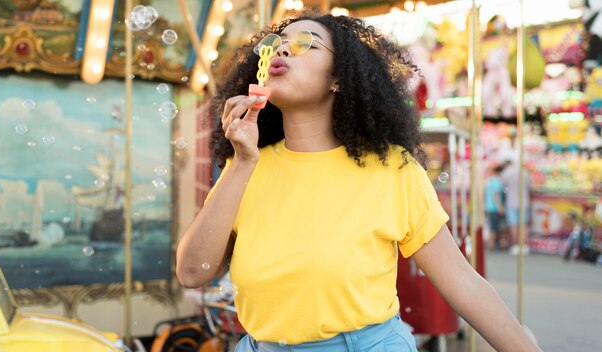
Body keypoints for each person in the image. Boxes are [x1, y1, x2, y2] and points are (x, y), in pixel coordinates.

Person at [176, 13, 540, 352]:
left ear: (339, 78)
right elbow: (193, 272)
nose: (283, 47)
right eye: (277, 41)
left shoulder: (392, 169)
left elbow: (464, 284)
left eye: (306, 43)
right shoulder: (245, 166)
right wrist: (242, 163)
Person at [500, 159, 532, 255]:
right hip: (524, 202)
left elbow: (503, 187)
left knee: (514, 225)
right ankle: (524, 245)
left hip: (511, 202)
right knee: (523, 224)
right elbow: (529, 186)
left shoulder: (506, 173)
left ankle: (516, 245)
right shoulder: (525, 173)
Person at [484, 164, 506, 250]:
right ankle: (492, 243)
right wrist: (500, 206)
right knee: (494, 226)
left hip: (489, 206)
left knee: (492, 226)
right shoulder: (497, 181)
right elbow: (496, 194)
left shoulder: (489, 181)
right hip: (494, 207)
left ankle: (491, 243)